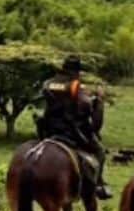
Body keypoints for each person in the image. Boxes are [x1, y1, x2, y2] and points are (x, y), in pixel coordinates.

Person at [38, 55, 112, 200]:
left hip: (49, 129)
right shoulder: (75, 86)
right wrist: (98, 100)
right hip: (71, 131)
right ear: (76, 71)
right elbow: (85, 107)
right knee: (100, 152)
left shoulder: (48, 83)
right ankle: (98, 184)